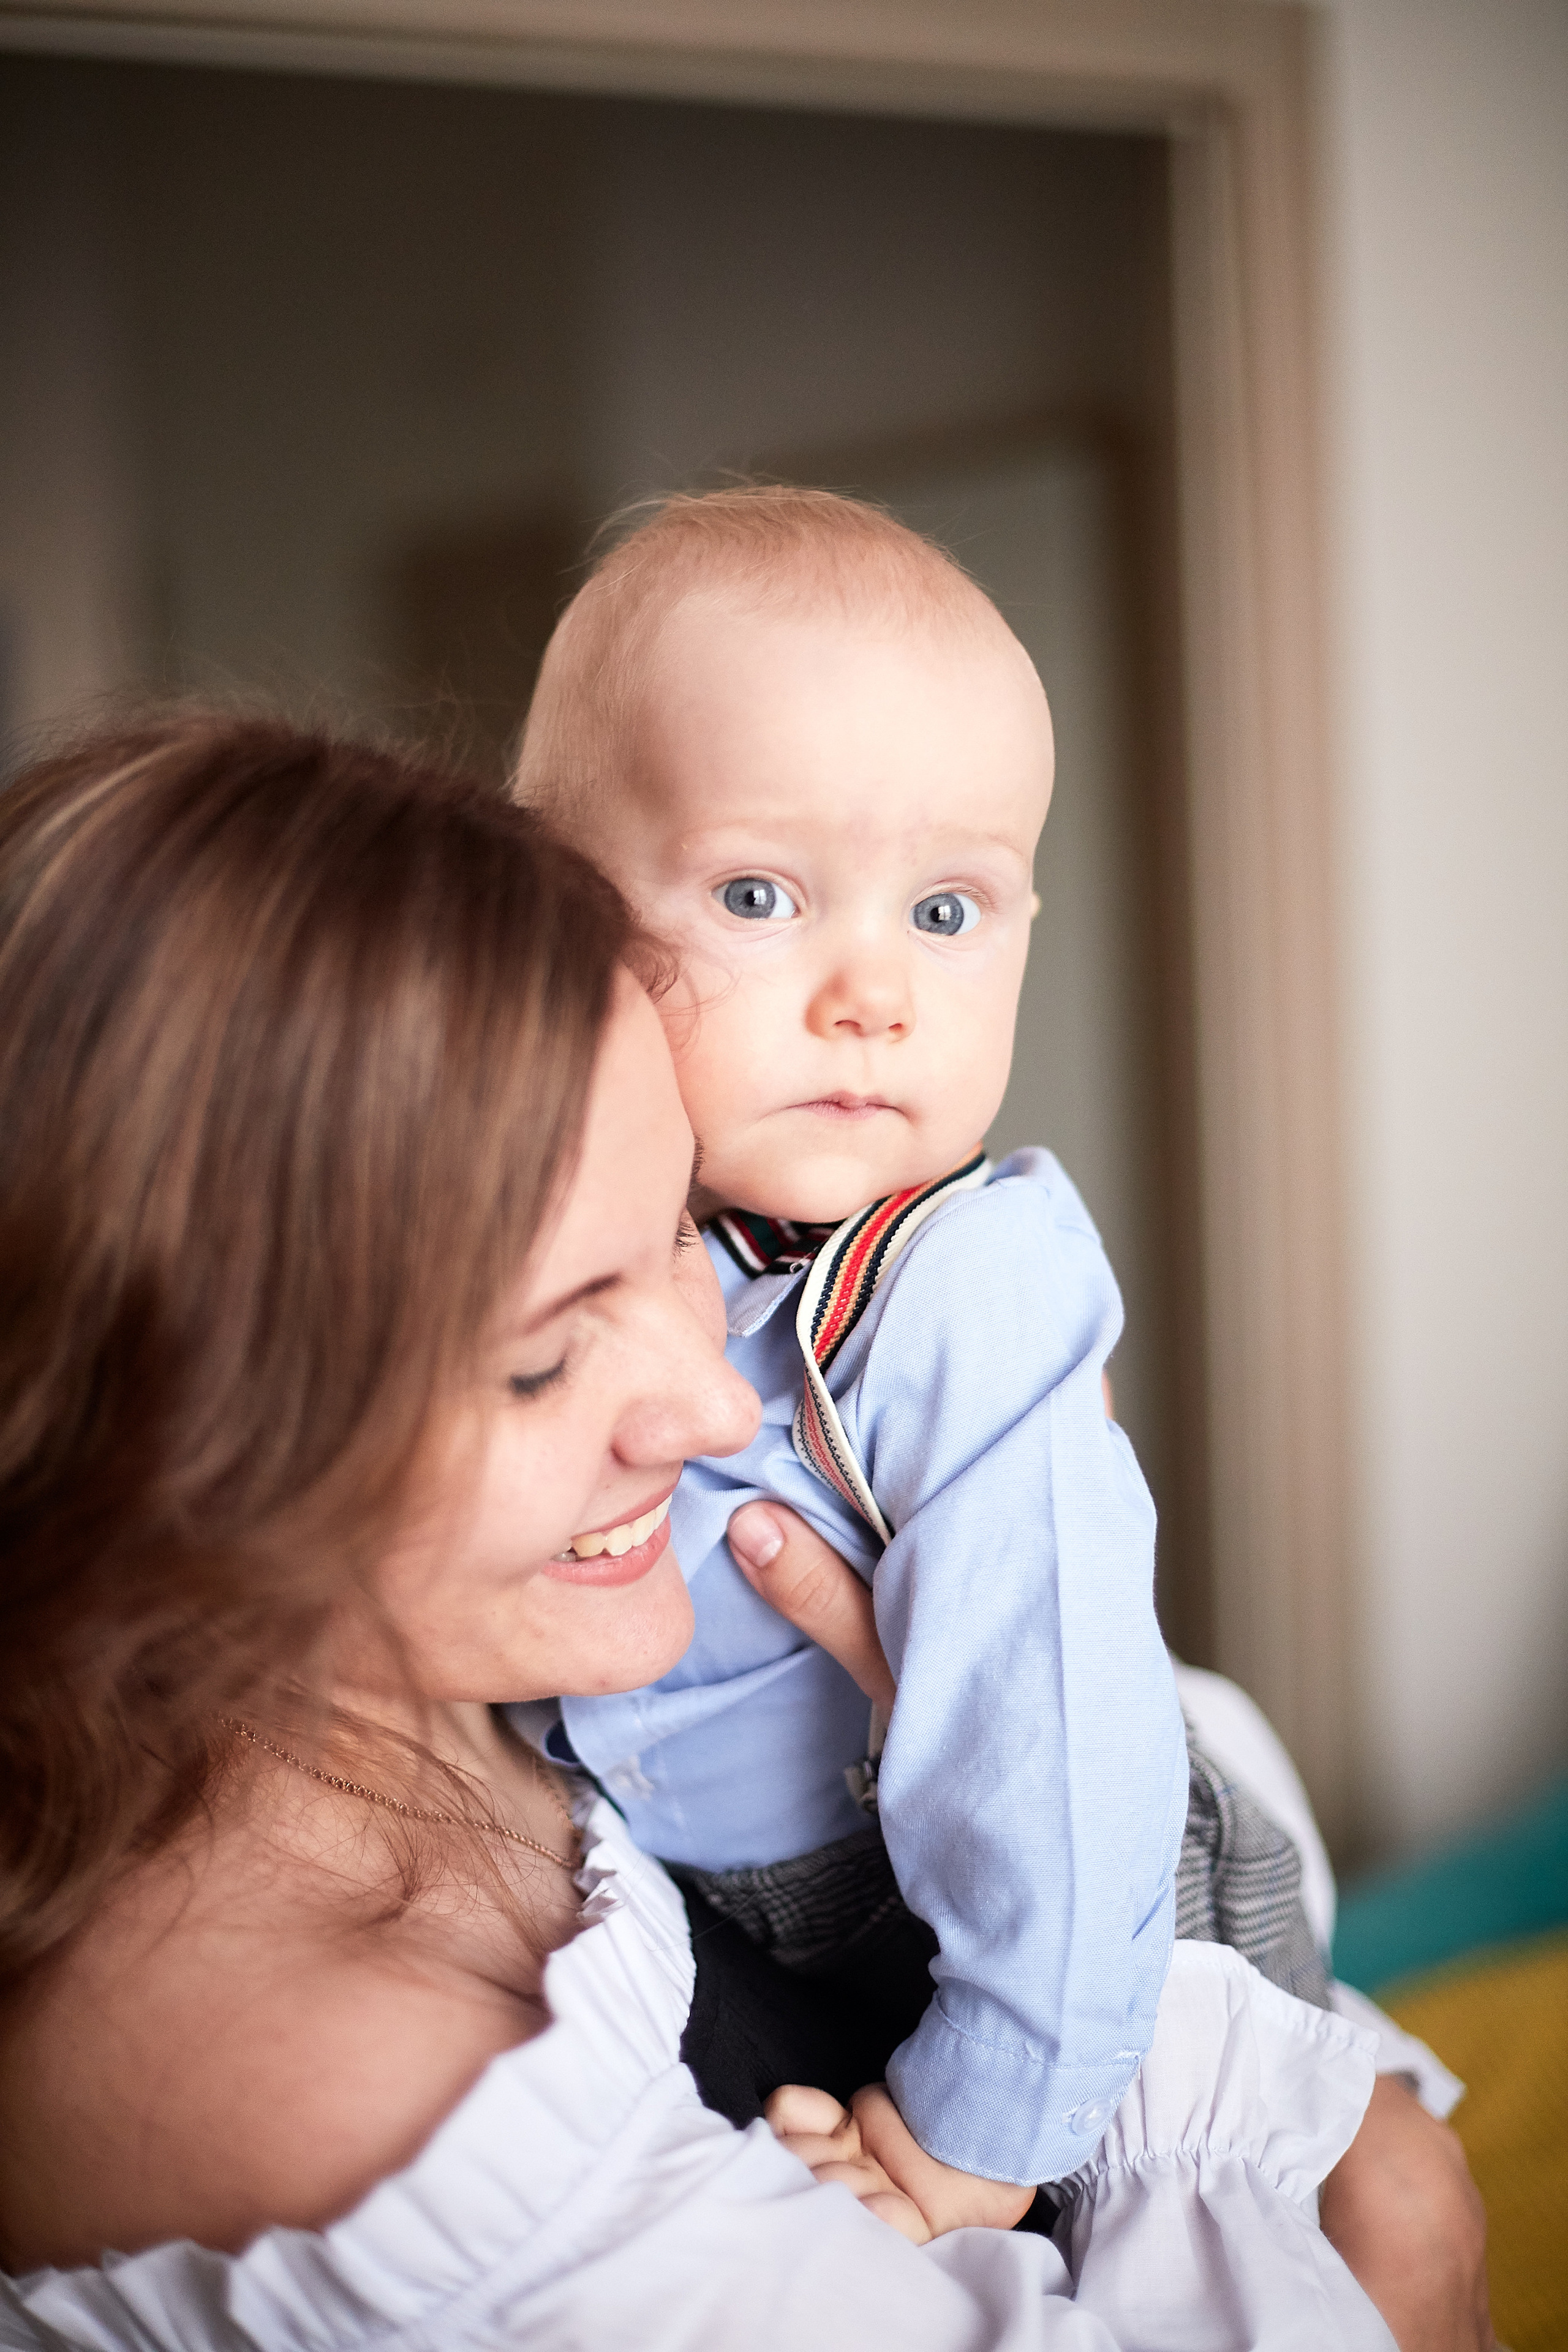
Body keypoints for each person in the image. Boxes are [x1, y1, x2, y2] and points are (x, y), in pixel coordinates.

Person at [0, 710, 1487, 2350]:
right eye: (544, 1356)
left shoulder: (446, 1687)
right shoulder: (322, 2091)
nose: (715, 1414)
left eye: (683, 1244)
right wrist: (1396, 2269)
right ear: (161, 1426)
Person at [514, 487, 1328, 2212]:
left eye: (947, 914)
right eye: (759, 892)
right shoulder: (548, 1234)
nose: (873, 993)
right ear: (548, 914)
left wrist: (983, 2124)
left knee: (1202, 2239)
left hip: (1088, 1927)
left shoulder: (959, 1285)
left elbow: (1048, 1739)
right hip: (754, 1918)